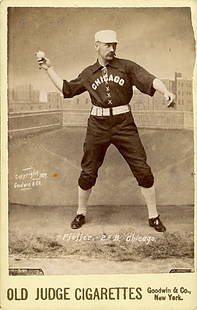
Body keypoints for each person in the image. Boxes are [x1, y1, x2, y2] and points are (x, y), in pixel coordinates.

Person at [36, 30, 175, 232]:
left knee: (143, 170)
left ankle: (153, 216)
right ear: (97, 45)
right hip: (97, 125)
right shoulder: (88, 73)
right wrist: (49, 69)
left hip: (123, 123)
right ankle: (80, 213)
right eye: (107, 45)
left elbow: (149, 79)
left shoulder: (126, 66)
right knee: (88, 172)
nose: (112, 48)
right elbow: (66, 90)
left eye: (114, 45)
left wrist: (166, 91)